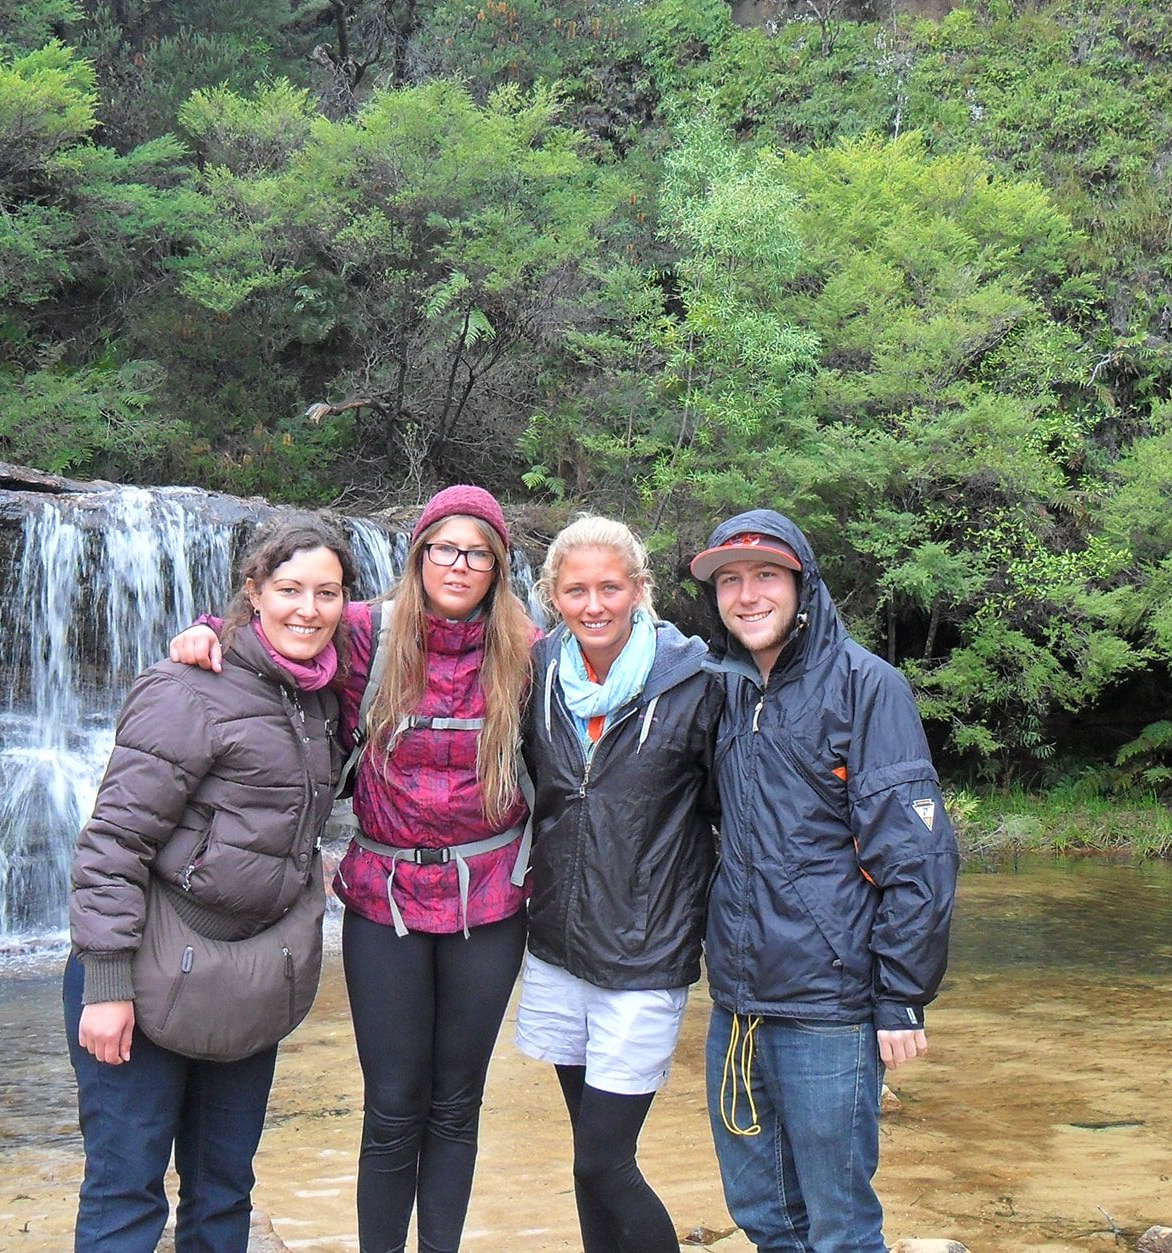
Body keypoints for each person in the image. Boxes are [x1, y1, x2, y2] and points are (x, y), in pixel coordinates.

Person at [168, 485, 536, 1253]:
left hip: (490, 900)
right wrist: (208, 632)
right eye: (444, 546)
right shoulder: (368, 631)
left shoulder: (527, 649)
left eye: (477, 550)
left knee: (456, 1105)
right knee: (393, 1105)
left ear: (498, 562)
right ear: (420, 552)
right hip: (385, 898)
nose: (459, 563)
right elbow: (283, 637)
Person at [66, 515, 354, 1253]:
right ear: (253, 592)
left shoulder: (322, 699)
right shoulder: (187, 688)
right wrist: (105, 985)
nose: (307, 608)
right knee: (126, 1195)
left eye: (327, 592)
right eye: (289, 588)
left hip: (248, 979)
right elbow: (114, 843)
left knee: (224, 1194)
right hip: (145, 969)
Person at [690, 509, 959, 1253]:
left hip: (830, 1007)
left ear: (803, 584)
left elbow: (920, 857)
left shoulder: (867, 686)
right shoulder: (727, 691)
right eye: (730, 581)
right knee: (763, 1212)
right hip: (739, 1003)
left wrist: (901, 997)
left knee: (840, 1226)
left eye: (765, 576)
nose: (746, 595)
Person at [516, 516, 722, 1253]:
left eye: (611, 586)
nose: (594, 603)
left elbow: (742, 801)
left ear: (640, 589)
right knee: (587, 1156)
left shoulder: (694, 680)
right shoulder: (536, 671)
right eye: (576, 589)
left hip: (644, 951)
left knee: (607, 1157)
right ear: (552, 597)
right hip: (558, 945)